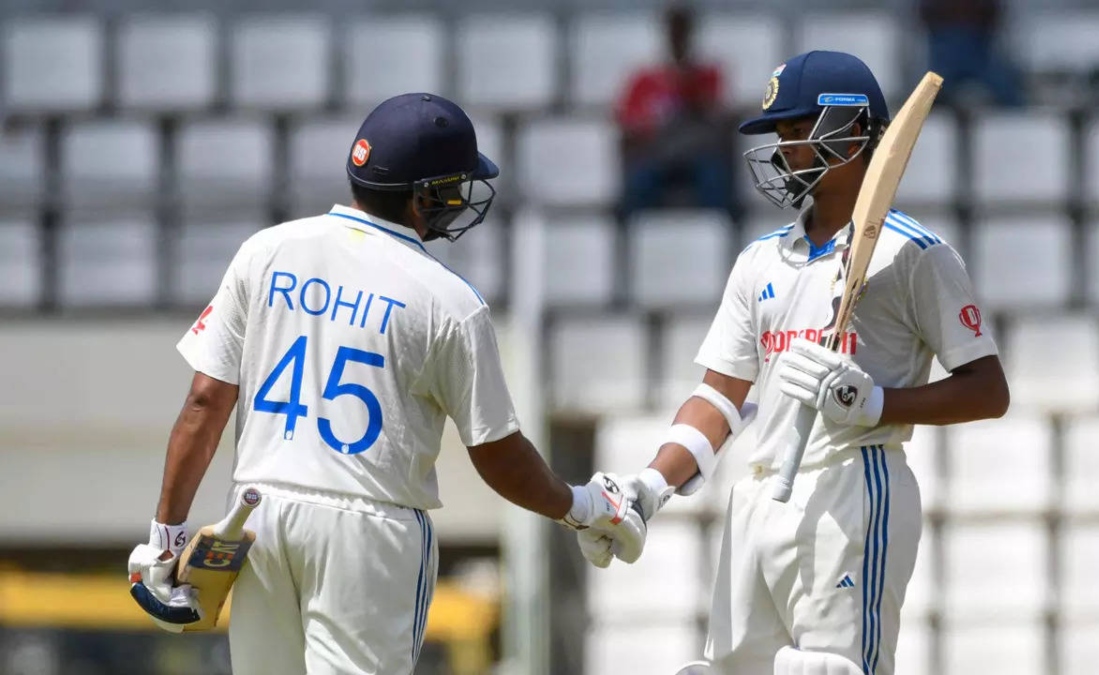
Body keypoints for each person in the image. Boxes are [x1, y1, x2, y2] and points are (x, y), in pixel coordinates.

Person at [126, 93, 647, 675]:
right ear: (424, 196)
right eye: (455, 187)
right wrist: (582, 507)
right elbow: (498, 455)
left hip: (257, 515)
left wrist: (165, 537)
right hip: (369, 528)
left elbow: (205, 401)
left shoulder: (265, 252)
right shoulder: (449, 301)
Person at [580, 51, 1010, 675]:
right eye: (778, 133)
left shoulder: (914, 253)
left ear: (849, 130)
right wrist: (649, 486)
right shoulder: (760, 259)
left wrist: (876, 402)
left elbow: (988, 390)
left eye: (795, 129)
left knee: (830, 670)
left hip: (851, 485)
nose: (782, 149)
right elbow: (719, 398)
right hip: (758, 497)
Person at [615, 3, 735, 219]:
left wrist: (688, 88)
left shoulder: (707, 75)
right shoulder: (644, 80)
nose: (678, 37)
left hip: (698, 154)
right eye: (674, 30)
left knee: (716, 181)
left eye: (682, 31)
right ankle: (630, 235)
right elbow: (628, 123)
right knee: (638, 185)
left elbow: (717, 117)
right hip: (657, 155)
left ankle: (722, 232)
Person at [919, 0, 1024, 107]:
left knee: (1008, 93)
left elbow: (996, 11)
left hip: (978, 47)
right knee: (924, 95)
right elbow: (924, 12)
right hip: (945, 49)